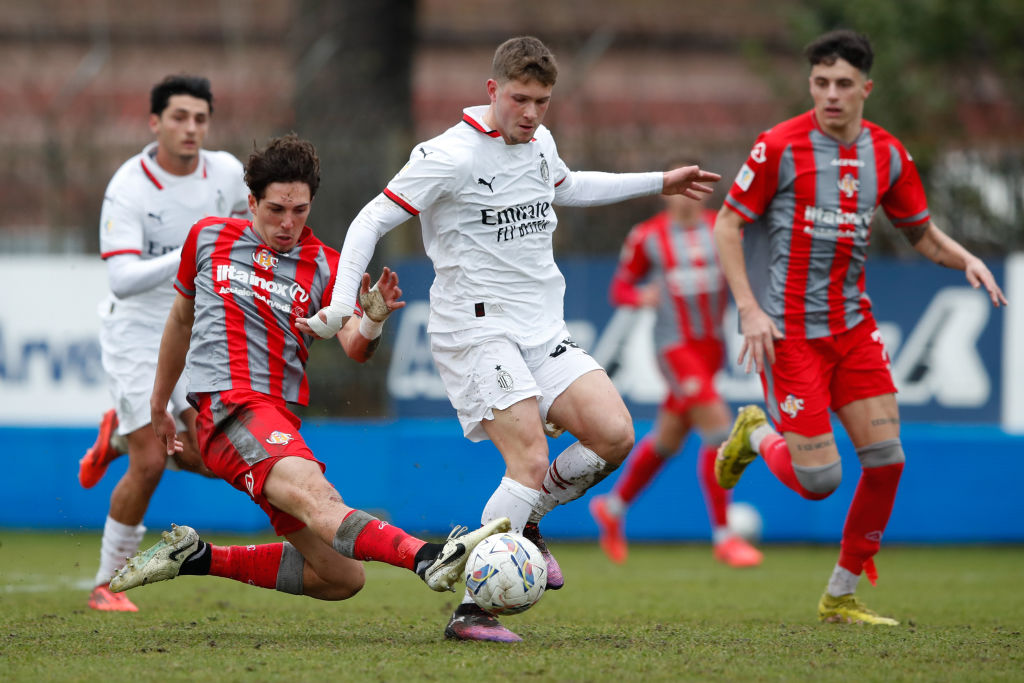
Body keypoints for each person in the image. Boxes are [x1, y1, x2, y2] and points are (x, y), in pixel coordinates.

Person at [301, 36, 720, 643]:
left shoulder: (539, 142)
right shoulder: (449, 155)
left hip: (540, 330)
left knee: (614, 435)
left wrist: (660, 181)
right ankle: (473, 609)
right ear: (492, 91)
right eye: (520, 99)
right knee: (527, 460)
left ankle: (524, 523)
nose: (530, 113)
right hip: (475, 331)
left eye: (542, 102)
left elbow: (569, 186)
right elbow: (370, 218)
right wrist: (342, 306)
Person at [109, 134, 509, 605]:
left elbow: (354, 346)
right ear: (252, 201)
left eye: (300, 210)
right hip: (228, 410)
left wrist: (374, 318)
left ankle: (196, 556)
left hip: (275, 420)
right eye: (276, 209)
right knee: (320, 498)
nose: (288, 222)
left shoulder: (325, 265)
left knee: (341, 577)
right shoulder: (208, 236)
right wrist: (159, 402)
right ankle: (427, 556)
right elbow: (180, 319)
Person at [712, 30, 1007, 626]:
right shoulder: (778, 147)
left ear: (866, 88)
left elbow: (920, 233)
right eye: (821, 83)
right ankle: (755, 434)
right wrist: (749, 309)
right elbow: (726, 224)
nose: (831, 95)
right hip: (790, 334)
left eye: (844, 84)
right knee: (820, 480)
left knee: (888, 460)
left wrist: (967, 257)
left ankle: (840, 596)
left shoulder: (888, 156)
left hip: (852, 329)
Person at [81, 75, 251, 612]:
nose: (190, 128)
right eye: (179, 117)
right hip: (137, 331)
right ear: (155, 122)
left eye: (200, 118)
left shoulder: (225, 173)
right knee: (152, 460)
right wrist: (190, 248)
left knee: (204, 457)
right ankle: (107, 584)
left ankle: (119, 436)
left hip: (192, 329)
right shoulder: (130, 185)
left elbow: (249, 232)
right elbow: (121, 278)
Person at [589, 164, 762, 568]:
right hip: (674, 348)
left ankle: (612, 508)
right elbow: (620, 288)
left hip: (710, 349)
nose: (688, 194)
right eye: (680, 187)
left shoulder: (722, 229)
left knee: (668, 440)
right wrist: (640, 298)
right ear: (668, 191)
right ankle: (723, 536)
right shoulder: (647, 237)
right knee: (719, 429)